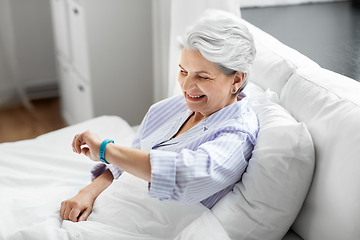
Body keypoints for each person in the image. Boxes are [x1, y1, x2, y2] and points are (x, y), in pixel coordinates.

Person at [60, 11, 258, 222]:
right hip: (110, 205)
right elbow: (129, 158)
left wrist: (105, 150)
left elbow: (183, 176)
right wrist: (87, 193)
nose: (187, 86)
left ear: (236, 80)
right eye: (183, 71)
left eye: (202, 76)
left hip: (149, 226)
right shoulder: (171, 108)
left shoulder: (237, 136)